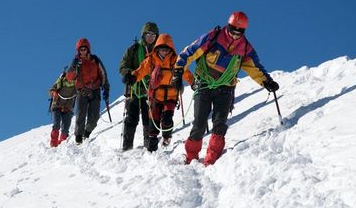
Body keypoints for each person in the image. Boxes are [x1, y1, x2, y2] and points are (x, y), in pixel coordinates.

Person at [171, 11, 279, 165]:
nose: (235, 34)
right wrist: (178, 71)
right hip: (204, 85)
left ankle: (212, 158)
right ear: (228, 25)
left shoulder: (245, 48)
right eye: (233, 29)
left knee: (220, 123)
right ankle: (191, 156)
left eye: (239, 31)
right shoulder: (213, 37)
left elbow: (255, 67)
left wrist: (266, 82)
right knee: (199, 123)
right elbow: (190, 52)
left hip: (226, 89)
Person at [124, 34, 194, 151]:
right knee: (153, 123)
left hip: (170, 96)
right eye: (162, 49)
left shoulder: (175, 61)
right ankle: (152, 151)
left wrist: (193, 82)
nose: (164, 52)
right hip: (155, 97)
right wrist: (132, 77)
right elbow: (141, 70)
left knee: (167, 119)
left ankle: (167, 136)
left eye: (166, 49)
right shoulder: (151, 60)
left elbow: (186, 72)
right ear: (157, 49)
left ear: (170, 49)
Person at [118, 22, 159, 150]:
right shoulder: (134, 49)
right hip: (134, 89)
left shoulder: (159, 51)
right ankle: (127, 146)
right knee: (131, 118)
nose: (151, 37)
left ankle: (148, 147)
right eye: (148, 34)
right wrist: (128, 73)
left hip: (151, 91)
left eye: (154, 34)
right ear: (143, 35)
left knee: (149, 119)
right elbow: (123, 65)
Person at [66, 38, 110, 144]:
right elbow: (69, 77)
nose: (83, 51)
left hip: (95, 90)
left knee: (94, 117)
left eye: (84, 49)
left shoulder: (95, 59)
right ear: (78, 50)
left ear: (88, 49)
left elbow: (103, 73)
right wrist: (73, 67)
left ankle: (87, 131)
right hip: (82, 90)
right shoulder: (76, 61)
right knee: (81, 114)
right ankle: (78, 136)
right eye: (81, 49)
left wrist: (106, 88)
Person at [48, 69, 76, 147]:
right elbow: (51, 90)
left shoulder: (76, 85)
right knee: (56, 124)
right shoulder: (60, 82)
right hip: (57, 106)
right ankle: (54, 143)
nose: (70, 81)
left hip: (68, 108)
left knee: (65, 128)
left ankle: (62, 144)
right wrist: (54, 93)